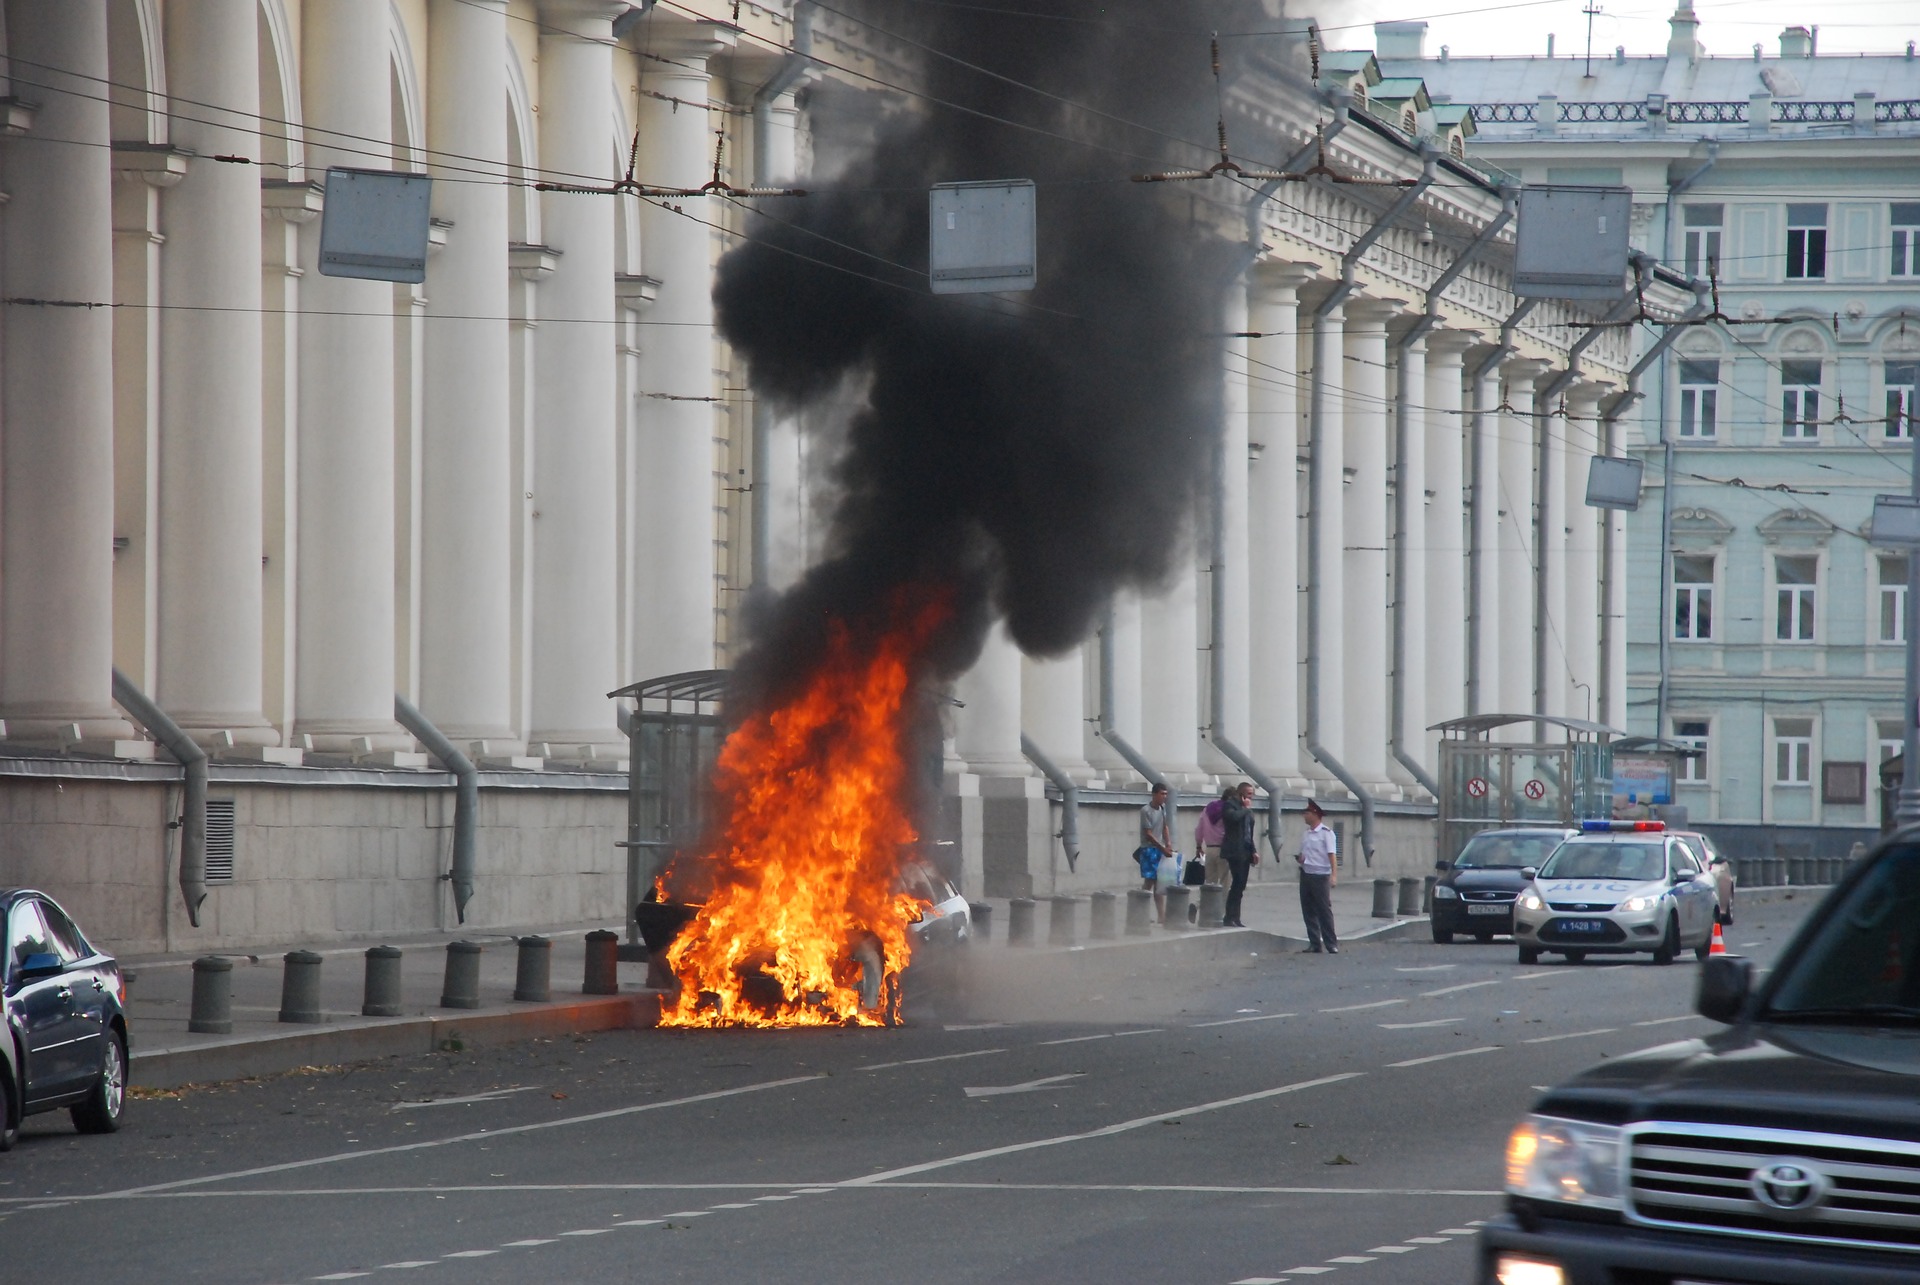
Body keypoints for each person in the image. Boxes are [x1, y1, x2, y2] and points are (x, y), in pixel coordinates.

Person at [1296, 799, 1339, 953]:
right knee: (1308, 910)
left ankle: (1331, 943)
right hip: (1306, 873)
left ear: (1315, 814)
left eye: (1306, 813)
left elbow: (1332, 855)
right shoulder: (1306, 834)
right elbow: (1304, 853)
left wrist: (1334, 875)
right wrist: (1301, 858)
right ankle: (1314, 942)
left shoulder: (1326, 833)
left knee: (1324, 910)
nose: (1304, 816)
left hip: (1321, 875)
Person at [1219, 780, 1259, 928]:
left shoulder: (1246, 809)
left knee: (1241, 885)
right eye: (1249, 794)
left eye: (1252, 794)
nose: (1251, 797)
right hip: (1235, 851)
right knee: (1237, 883)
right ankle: (1229, 916)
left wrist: (1254, 851)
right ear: (1241, 793)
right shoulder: (1230, 805)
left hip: (1246, 850)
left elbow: (1249, 832)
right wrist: (1246, 809)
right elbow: (1233, 818)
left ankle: (1236, 917)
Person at [1139, 782, 1174, 924]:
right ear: (1154, 794)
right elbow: (1148, 834)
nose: (1164, 797)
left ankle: (1161, 915)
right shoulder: (1146, 810)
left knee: (1159, 883)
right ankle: (1141, 912)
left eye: (1166, 794)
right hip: (1149, 849)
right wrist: (1162, 848)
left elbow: (1165, 827)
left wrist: (1169, 843)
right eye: (1162, 794)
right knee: (1149, 882)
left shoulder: (1162, 808)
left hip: (1160, 849)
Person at [1196, 787, 1229, 888]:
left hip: (1209, 849)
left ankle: (1207, 903)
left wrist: (1198, 846)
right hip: (1224, 849)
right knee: (1225, 881)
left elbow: (1198, 829)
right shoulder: (1228, 810)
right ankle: (1224, 903)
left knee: (1210, 881)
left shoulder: (1207, 809)